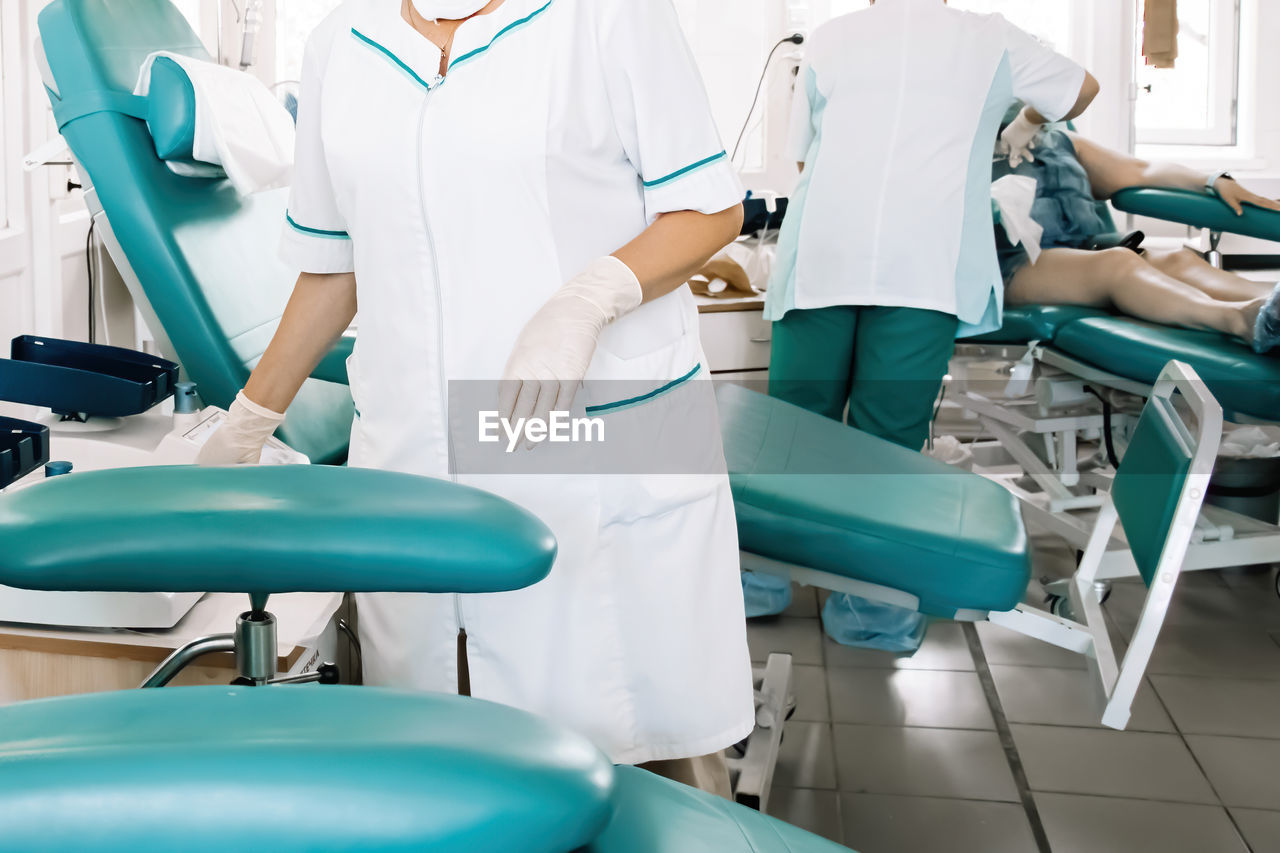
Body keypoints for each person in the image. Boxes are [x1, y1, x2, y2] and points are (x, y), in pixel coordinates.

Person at [197, 0, 754, 796]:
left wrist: (589, 296)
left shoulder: (609, 17)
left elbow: (708, 204)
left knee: (644, 765)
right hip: (415, 456)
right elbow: (334, 261)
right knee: (444, 764)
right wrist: (251, 416)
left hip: (598, 444)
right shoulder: (341, 44)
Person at [762, 0, 1097, 647]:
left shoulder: (831, 38)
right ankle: (870, 608)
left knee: (793, 428)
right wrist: (1025, 115)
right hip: (922, 263)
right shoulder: (992, 38)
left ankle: (763, 581)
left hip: (824, 254)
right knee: (887, 442)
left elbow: (803, 159)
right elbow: (1082, 88)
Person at [992, 122, 1280, 352]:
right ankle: (1243, 320)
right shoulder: (962, 146)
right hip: (1014, 265)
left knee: (1178, 261)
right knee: (1116, 264)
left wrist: (1212, 180)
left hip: (1086, 249)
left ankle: (1269, 300)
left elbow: (1143, 171)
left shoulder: (1060, 139)